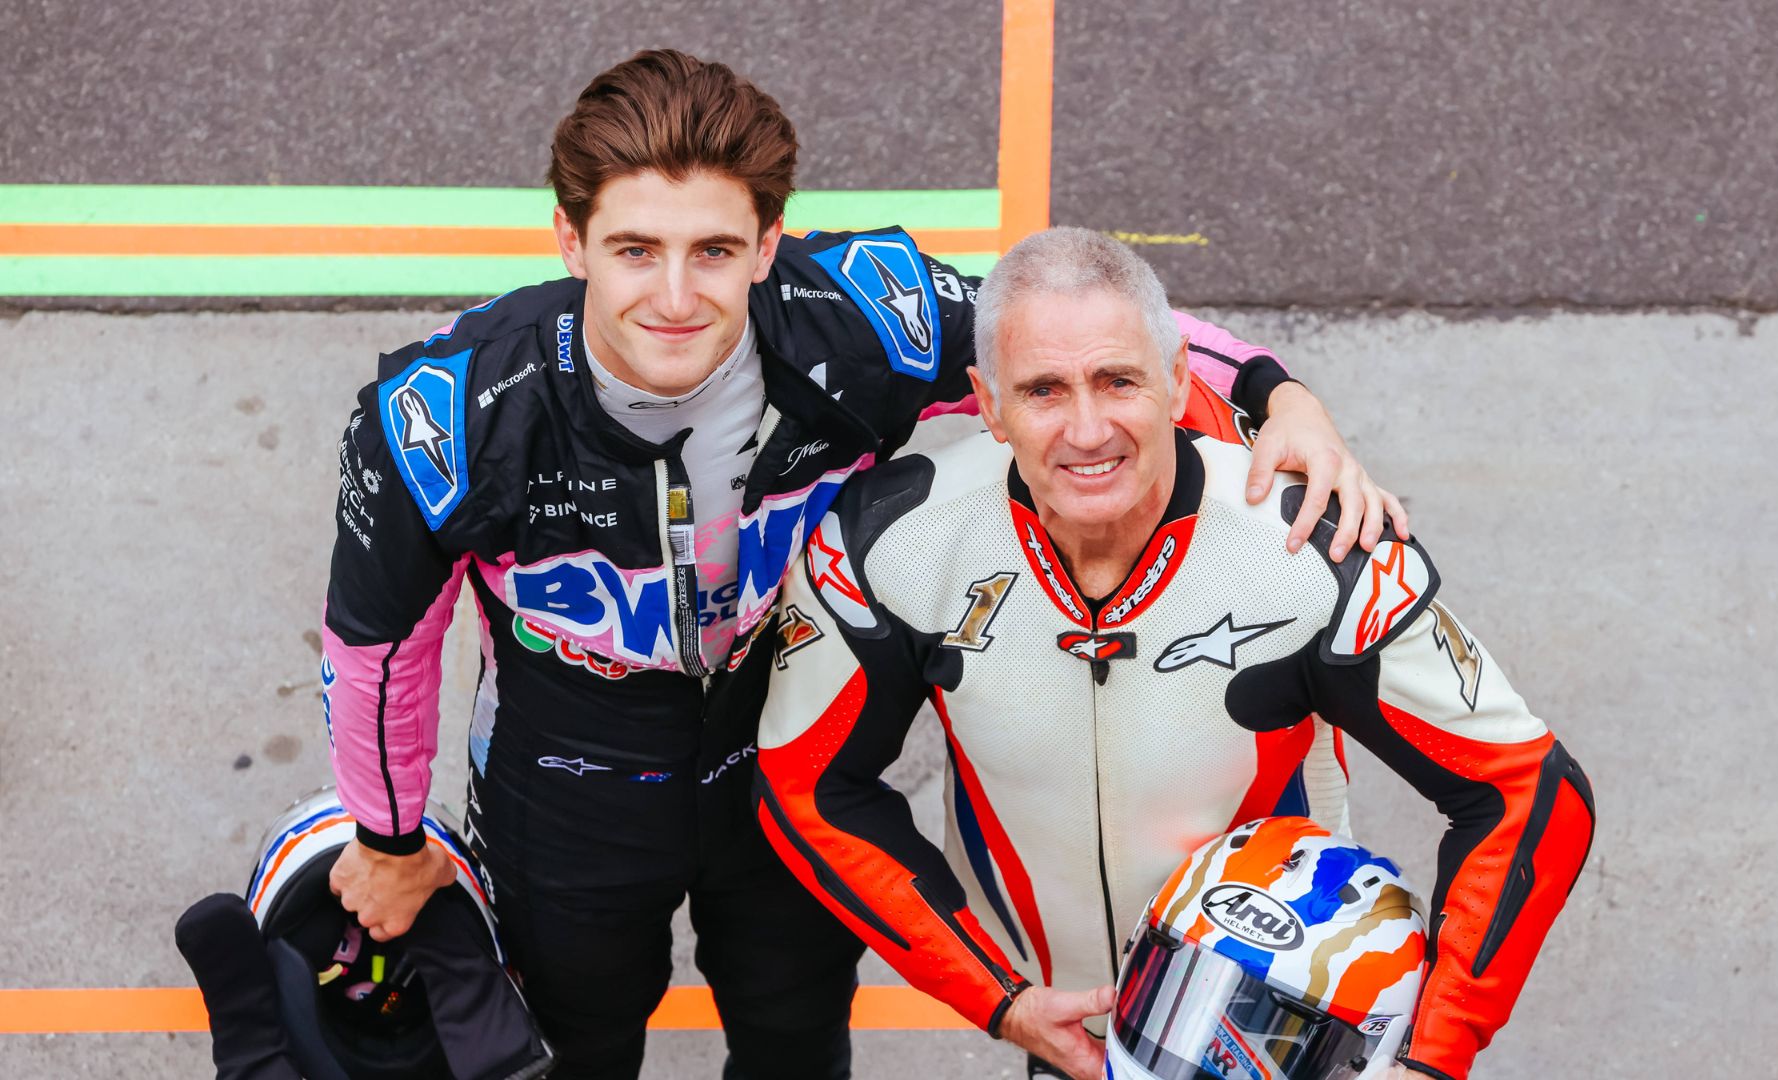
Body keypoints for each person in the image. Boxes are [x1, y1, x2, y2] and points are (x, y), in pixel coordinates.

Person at [319, 50, 1405, 1080]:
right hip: (568, 772)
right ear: (571, 240)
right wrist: (390, 836)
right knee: (573, 1045)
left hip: (789, 739)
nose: (676, 297)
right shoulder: (450, 413)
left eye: (715, 251)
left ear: (768, 239)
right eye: (635, 250)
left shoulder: (852, 316)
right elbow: (378, 652)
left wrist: (1280, 396)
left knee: (796, 1039)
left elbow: (1084, 330)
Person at [754, 227, 1596, 1080]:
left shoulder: (1310, 552)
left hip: (1275, 1031)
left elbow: (1530, 792)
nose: (1088, 429)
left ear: (1179, 377)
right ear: (989, 403)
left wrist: (1434, 1056)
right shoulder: (889, 545)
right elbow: (807, 785)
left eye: (1118, 380)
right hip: (1061, 1031)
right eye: (1043, 390)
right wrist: (997, 997)